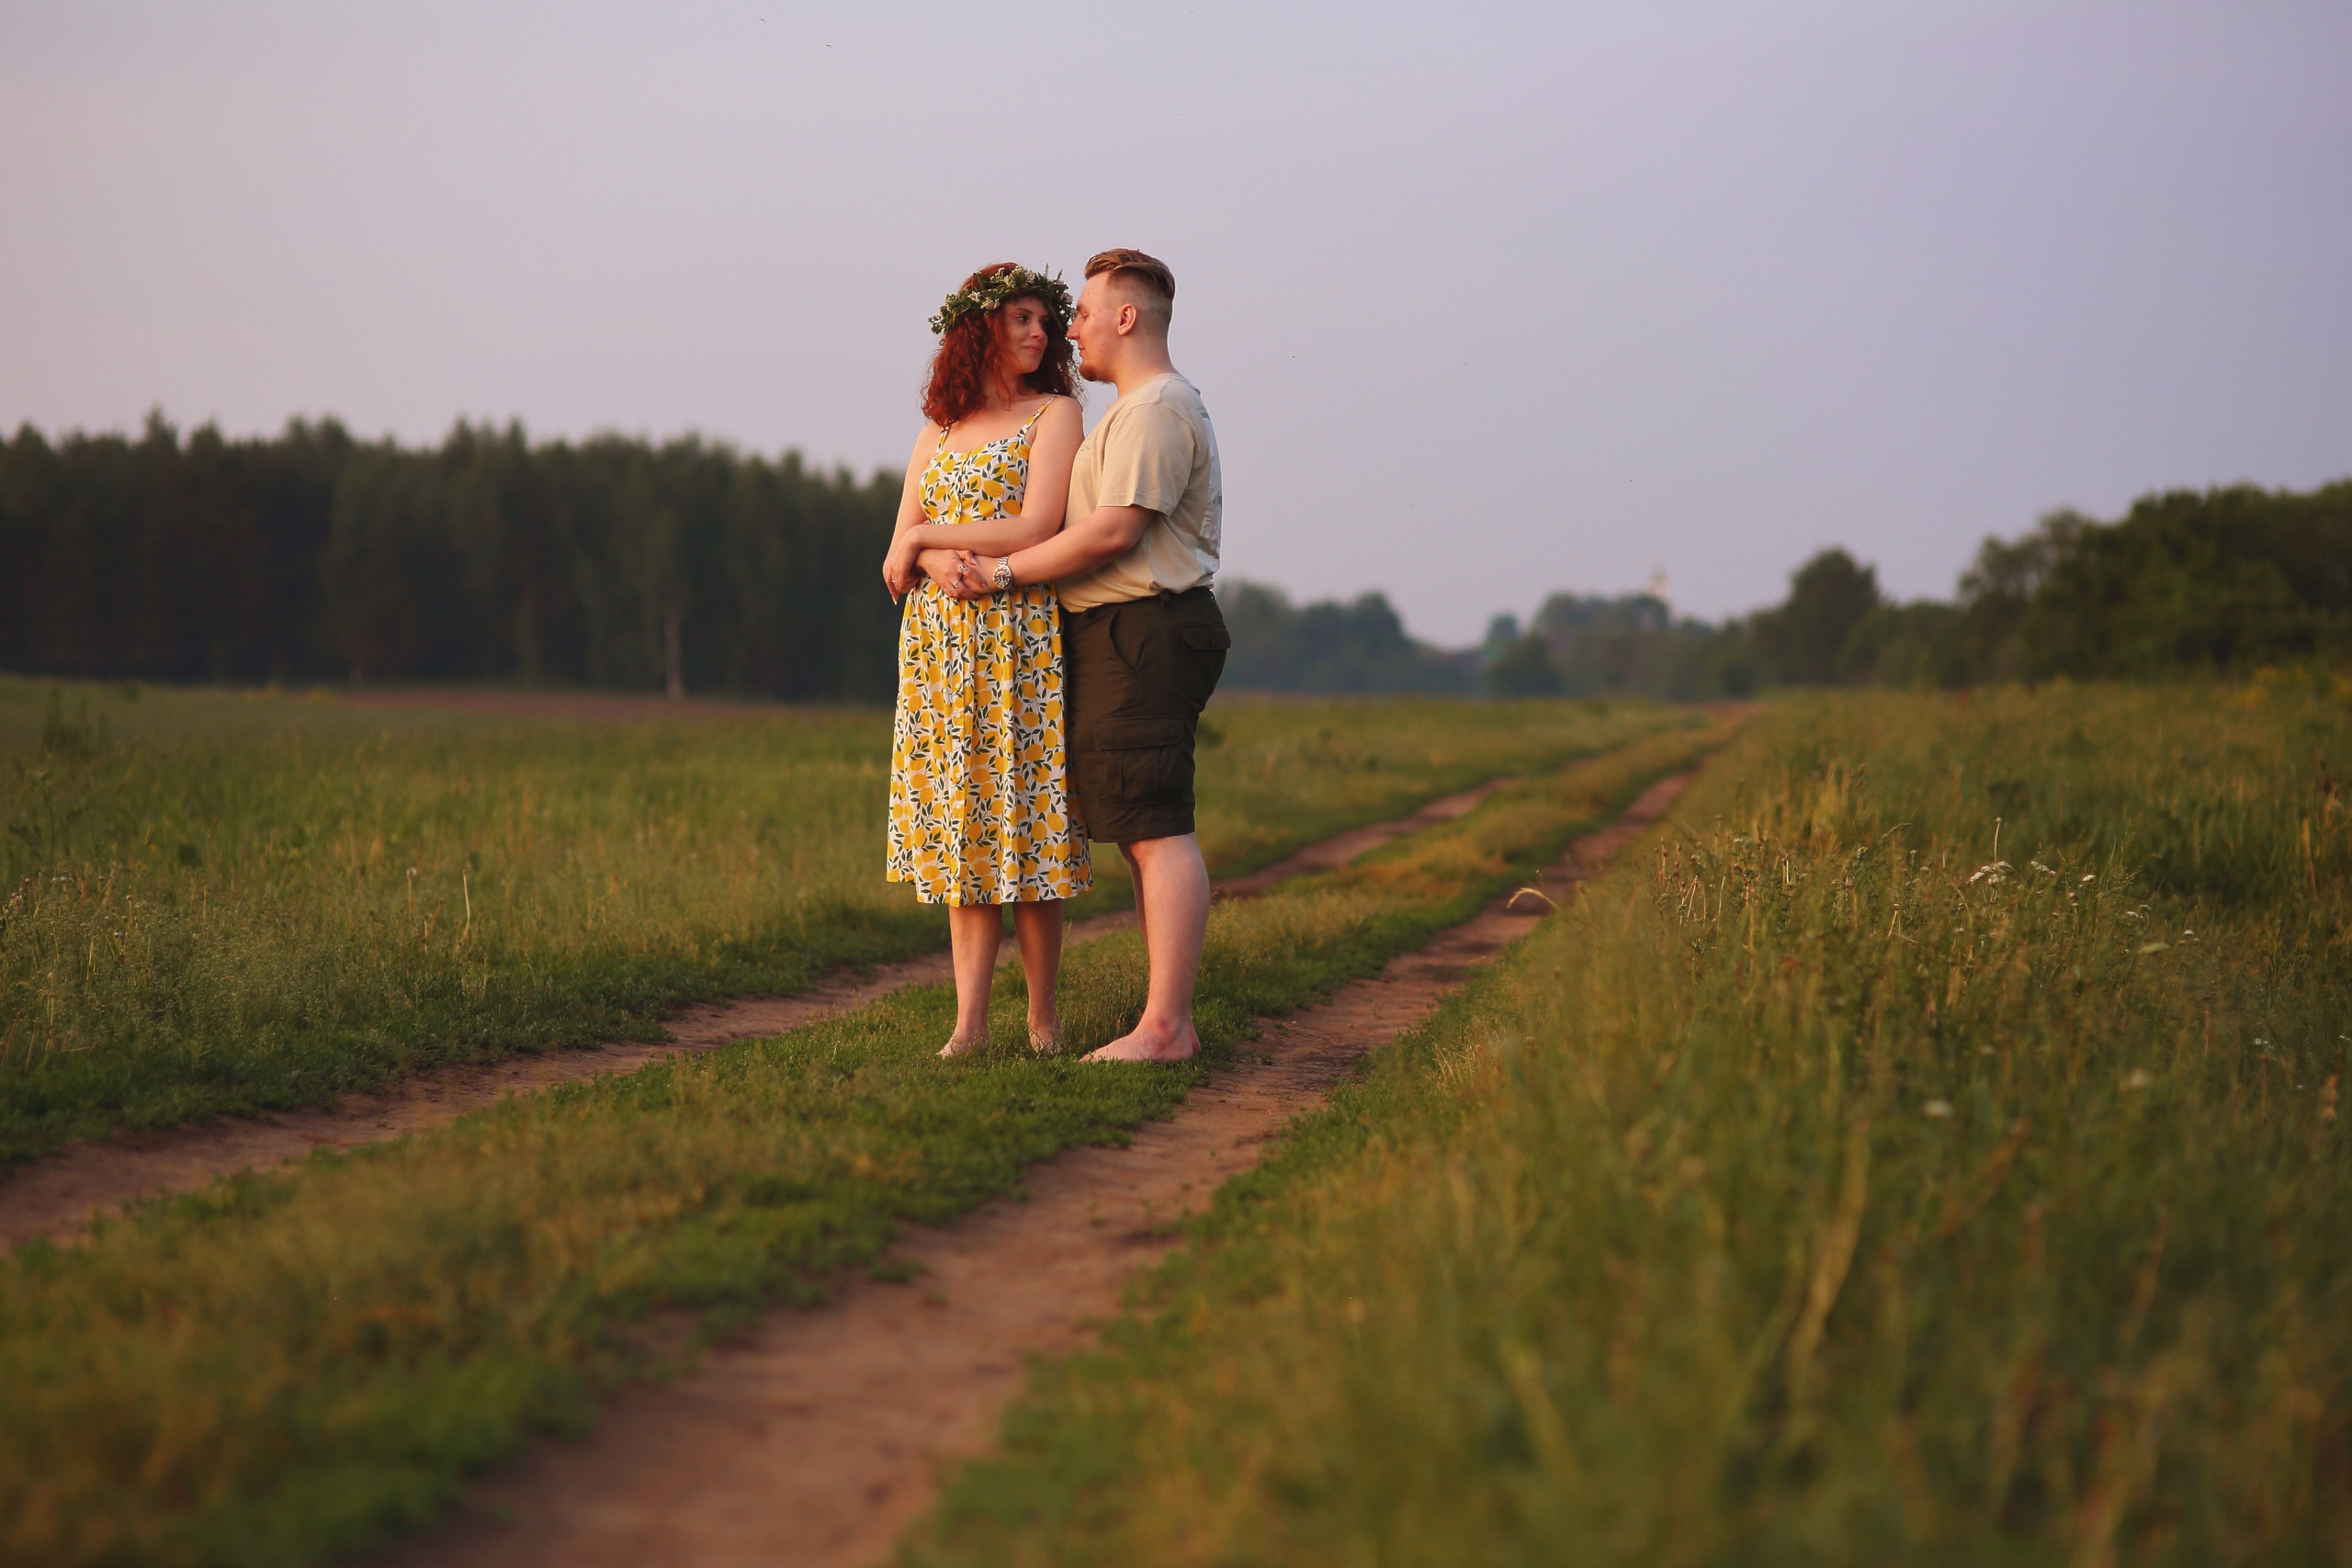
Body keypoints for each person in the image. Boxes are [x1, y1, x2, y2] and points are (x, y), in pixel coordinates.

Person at [945, 249, 1228, 1063]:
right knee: (1141, 824)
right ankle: (1160, 1018)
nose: (1073, 329)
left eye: (1085, 313)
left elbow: (1110, 532)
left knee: (1156, 827)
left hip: (1145, 626)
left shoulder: (1153, 411)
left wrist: (999, 573)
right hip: (1127, 632)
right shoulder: (1135, 410)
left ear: (1127, 318)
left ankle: (1166, 1027)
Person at [881, 263, 1091, 1057]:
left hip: (1019, 639)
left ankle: (1043, 1020)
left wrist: (928, 538)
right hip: (939, 652)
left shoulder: (1056, 415)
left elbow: (1038, 524)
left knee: (1028, 828)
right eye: (1021, 319)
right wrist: (925, 554)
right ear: (981, 329)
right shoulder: (936, 431)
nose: (1039, 333)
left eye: (1044, 320)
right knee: (964, 830)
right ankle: (968, 1024)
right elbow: (896, 556)